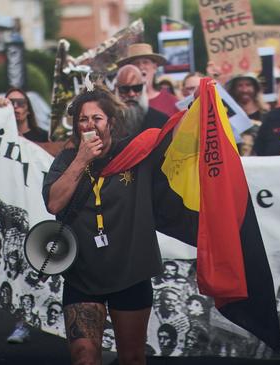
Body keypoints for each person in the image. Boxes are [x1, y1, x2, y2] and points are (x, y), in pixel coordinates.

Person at [42, 85, 175, 365]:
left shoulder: (135, 153)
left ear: (111, 122)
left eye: (97, 118)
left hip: (130, 273)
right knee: (84, 358)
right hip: (83, 275)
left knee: (132, 357)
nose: (90, 125)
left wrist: (200, 108)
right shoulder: (67, 160)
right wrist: (82, 159)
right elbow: (54, 204)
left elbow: (174, 138)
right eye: (83, 119)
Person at [117, 43, 179, 117]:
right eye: (136, 63)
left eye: (145, 62)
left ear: (155, 67)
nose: (141, 67)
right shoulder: (120, 102)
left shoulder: (171, 101)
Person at [114, 64, 168, 133]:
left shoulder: (161, 121)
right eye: (125, 89)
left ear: (143, 86)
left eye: (137, 88)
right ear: (116, 88)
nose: (131, 94)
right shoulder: (109, 121)